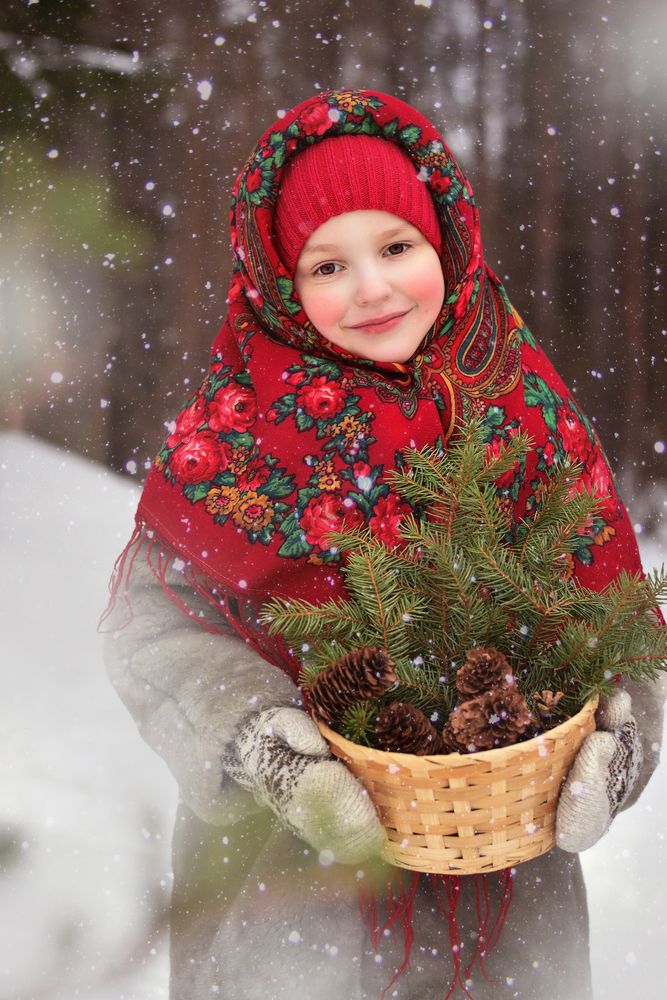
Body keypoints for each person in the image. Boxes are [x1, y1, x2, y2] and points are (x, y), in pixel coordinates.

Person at [102, 89, 664, 1000]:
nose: (371, 289)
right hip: (281, 899)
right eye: (328, 265)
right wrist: (260, 741)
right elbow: (148, 631)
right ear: (279, 279)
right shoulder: (233, 431)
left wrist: (621, 738)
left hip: (507, 910)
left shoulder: (518, 411)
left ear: (445, 243)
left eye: (397, 248)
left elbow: (615, 625)